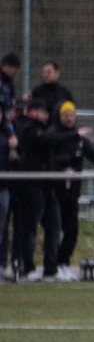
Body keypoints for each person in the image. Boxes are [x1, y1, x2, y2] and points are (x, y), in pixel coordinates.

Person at [51, 101, 94, 281]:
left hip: (73, 192)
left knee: (71, 230)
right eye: (65, 114)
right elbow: (52, 157)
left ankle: (63, 262)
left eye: (71, 115)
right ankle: (52, 265)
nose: (68, 118)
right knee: (53, 228)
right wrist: (63, 167)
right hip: (55, 191)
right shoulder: (55, 135)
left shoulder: (80, 139)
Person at [11, 100, 63, 281]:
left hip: (47, 187)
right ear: (34, 112)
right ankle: (27, 267)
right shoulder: (28, 128)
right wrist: (74, 135)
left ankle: (50, 269)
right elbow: (45, 141)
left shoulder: (43, 129)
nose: (46, 116)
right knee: (30, 228)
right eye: (43, 112)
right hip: (32, 186)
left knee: (53, 227)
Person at [0, 104, 17, 281]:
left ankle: (1, 264)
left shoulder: (7, 133)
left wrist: (14, 148)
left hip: (3, 187)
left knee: (2, 229)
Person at [30, 60, 74, 126]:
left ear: (57, 73)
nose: (46, 75)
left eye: (49, 72)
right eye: (44, 72)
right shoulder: (37, 91)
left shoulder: (65, 92)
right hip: (41, 127)